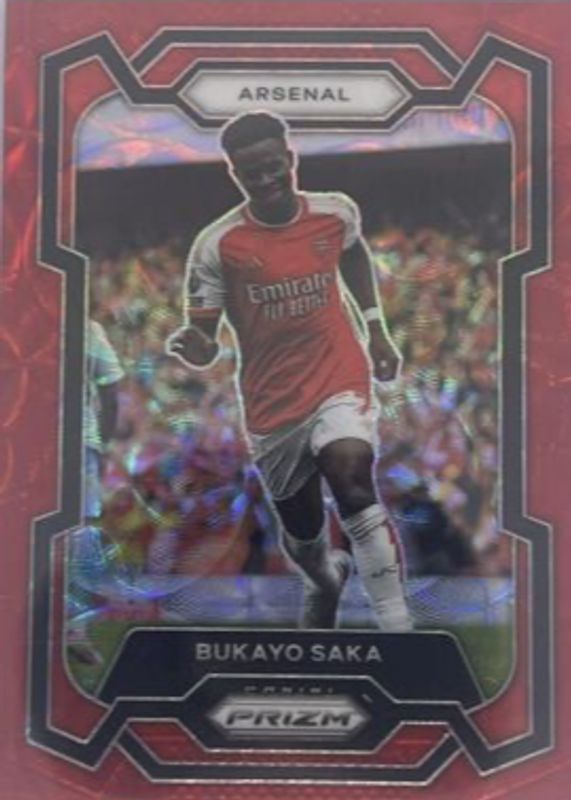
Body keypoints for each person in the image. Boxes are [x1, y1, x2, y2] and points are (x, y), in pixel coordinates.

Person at [167, 111, 411, 631]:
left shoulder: (335, 212)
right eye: (251, 172)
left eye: (273, 166)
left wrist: (376, 328)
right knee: (302, 528)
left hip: (338, 374)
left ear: (290, 159)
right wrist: (194, 346)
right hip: (272, 402)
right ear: (235, 174)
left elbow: (353, 254)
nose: (265, 179)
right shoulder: (217, 244)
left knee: (351, 477)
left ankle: (397, 624)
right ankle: (323, 578)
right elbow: (205, 340)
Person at [67, 319, 124, 664]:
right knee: (83, 534)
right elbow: (111, 392)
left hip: (32, 442)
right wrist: (104, 443)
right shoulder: (87, 328)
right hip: (79, 444)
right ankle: (75, 630)